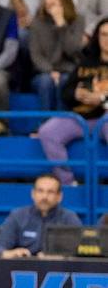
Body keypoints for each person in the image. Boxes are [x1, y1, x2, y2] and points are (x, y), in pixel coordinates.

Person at [38, 17, 108, 185]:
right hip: (80, 118)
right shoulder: (85, 62)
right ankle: (68, 183)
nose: (107, 39)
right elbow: (66, 92)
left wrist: (101, 99)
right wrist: (76, 94)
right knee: (47, 131)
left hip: (105, 118)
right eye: (103, 34)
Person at [0, 173, 82, 257]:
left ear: (59, 197)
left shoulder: (69, 218)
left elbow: (81, 251)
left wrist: (62, 256)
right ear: (33, 194)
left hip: (59, 271)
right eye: (40, 191)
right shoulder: (18, 216)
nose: (44, 197)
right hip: (23, 270)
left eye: (50, 192)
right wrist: (11, 253)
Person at [28, 0, 86, 110]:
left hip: (68, 71)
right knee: (46, 82)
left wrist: (61, 25)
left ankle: (62, 124)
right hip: (43, 72)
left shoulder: (77, 20)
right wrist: (50, 71)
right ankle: (45, 124)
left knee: (65, 81)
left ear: (65, 1)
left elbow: (73, 51)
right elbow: (35, 55)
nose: (50, 1)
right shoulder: (37, 21)